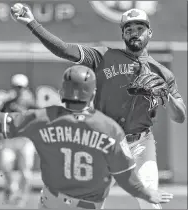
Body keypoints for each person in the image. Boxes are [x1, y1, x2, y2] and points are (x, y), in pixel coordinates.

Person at [11, 6, 186, 209]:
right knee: (84, 203)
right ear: (123, 34)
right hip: (105, 140)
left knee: (150, 203)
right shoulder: (103, 56)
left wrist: (165, 95)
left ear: (149, 32)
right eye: (129, 29)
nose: (134, 33)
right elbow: (64, 49)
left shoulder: (162, 73)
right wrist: (33, 24)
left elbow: (179, 116)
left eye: (140, 28)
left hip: (140, 144)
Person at [0, 65, 173, 209]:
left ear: (62, 93)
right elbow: (126, 176)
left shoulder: (42, 118)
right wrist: (146, 194)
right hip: (89, 205)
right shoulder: (109, 128)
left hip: (52, 202)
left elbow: (0, 121)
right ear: (93, 94)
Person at [0, 73, 36, 207]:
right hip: (10, 140)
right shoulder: (7, 102)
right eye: (16, 87)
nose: (19, 89)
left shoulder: (31, 103)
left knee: (26, 172)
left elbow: (38, 120)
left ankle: (22, 197)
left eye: (21, 87)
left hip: (25, 141)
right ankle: (12, 187)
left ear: (25, 87)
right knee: (5, 166)